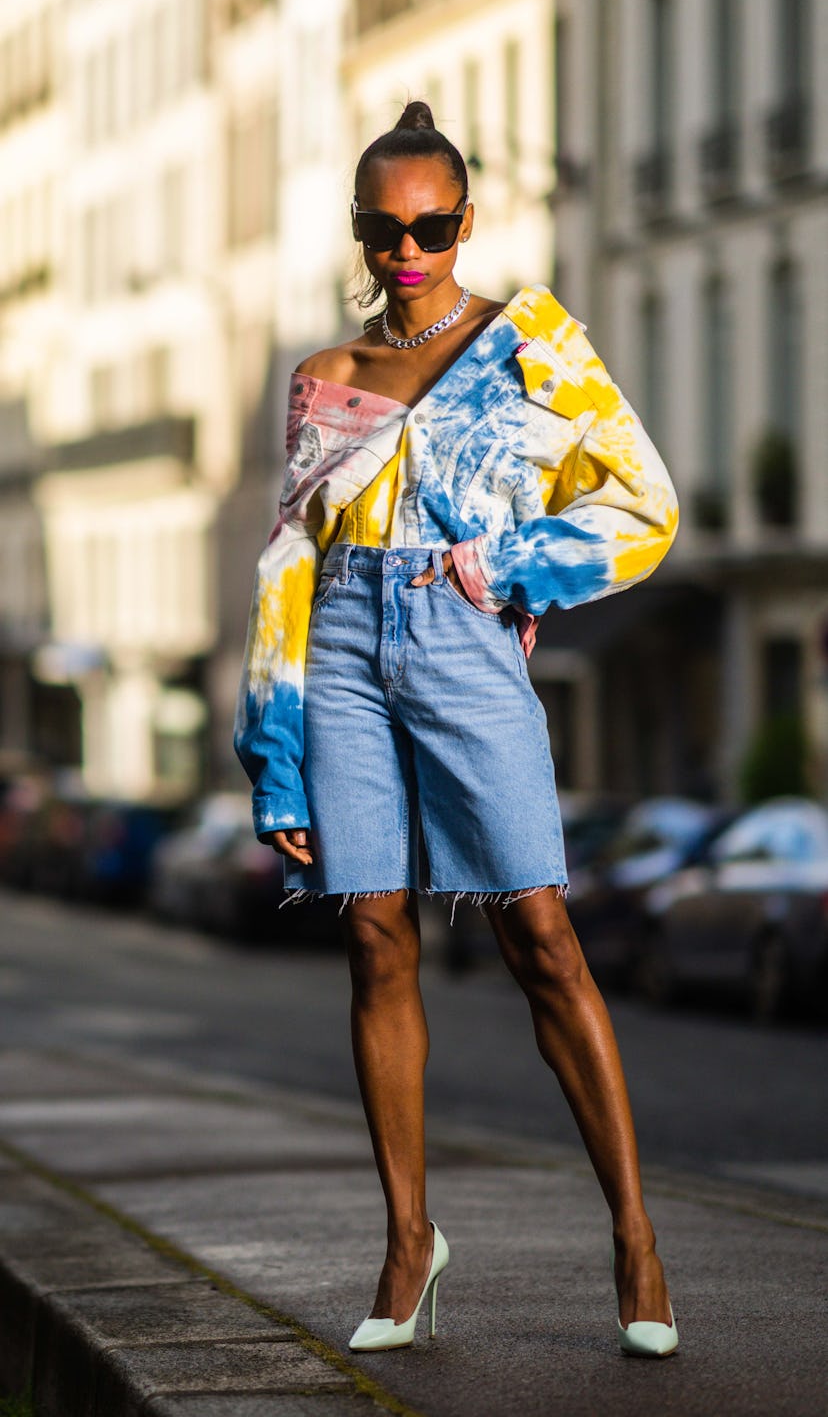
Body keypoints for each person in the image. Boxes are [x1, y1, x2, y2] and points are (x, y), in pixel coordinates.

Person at [235, 101, 680, 1358]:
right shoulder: (325, 379)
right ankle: (407, 1241)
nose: (408, 248)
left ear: (466, 220)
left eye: (432, 224)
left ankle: (637, 1239)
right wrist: (273, 755)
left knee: (541, 930)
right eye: (386, 228)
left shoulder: (533, 346)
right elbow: (285, 561)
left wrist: (512, 567)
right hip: (338, 647)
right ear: (363, 232)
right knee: (373, 934)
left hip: (461, 625)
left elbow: (646, 504)